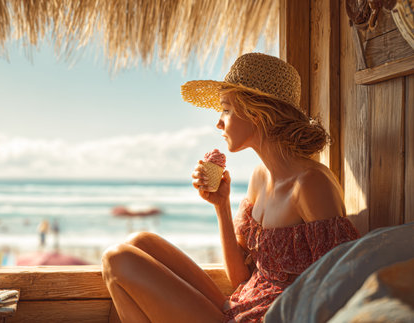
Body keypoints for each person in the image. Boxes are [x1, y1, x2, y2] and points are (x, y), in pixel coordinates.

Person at [101, 53, 360, 322]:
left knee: (116, 259)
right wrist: (221, 205)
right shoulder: (260, 177)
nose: (219, 122)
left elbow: (341, 287)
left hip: (270, 317)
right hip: (242, 306)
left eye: (226, 109)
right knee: (140, 242)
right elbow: (240, 278)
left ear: (257, 113)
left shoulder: (311, 184)